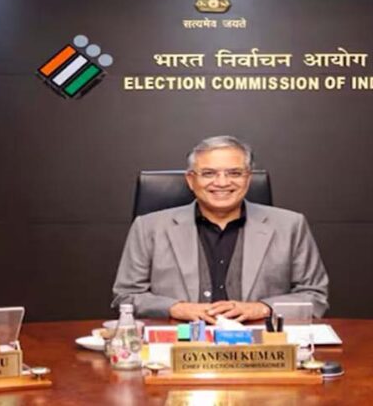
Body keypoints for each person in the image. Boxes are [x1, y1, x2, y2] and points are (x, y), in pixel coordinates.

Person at [112, 135, 329, 323]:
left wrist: (262, 308)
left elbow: (315, 296)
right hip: (178, 343)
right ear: (191, 180)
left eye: (234, 173)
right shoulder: (148, 227)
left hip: (260, 344)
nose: (222, 182)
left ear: (248, 178)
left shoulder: (290, 225)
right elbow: (126, 297)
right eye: (209, 173)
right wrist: (177, 308)